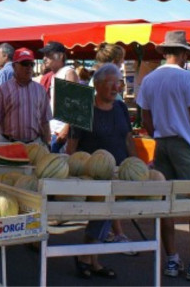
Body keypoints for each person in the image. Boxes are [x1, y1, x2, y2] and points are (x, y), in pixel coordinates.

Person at [137, 30, 190, 282]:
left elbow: (145, 116)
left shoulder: (149, 79)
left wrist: (157, 134)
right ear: (182, 53)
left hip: (162, 143)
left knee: (165, 203)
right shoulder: (187, 79)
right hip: (186, 144)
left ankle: (171, 259)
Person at [68, 63, 139, 279]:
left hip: (119, 171)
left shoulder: (121, 108)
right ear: (97, 85)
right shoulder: (84, 109)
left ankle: (91, 260)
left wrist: (135, 161)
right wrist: (73, 171)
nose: (117, 87)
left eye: (119, 83)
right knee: (99, 216)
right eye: (112, 83)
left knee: (105, 217)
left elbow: (128, 137)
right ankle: (87, 259)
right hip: (93, 172)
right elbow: (72, 144)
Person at [0, 48, 51, 144]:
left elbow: (45, 121)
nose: (29, 67)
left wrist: (47, 144)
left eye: (31, 64)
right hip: (8, 144)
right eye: (24, 64)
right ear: (14, 66)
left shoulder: (40, 90)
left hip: (34, 145)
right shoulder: (3, 90)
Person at [40, 41, 79, 153]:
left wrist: (66, 129)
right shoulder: (56, 75)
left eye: (49, 55)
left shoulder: (68, 72)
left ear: (61, 56)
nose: (45, 58)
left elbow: (75, 103)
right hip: (54, 132)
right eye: (44, 55)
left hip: (61, 134)